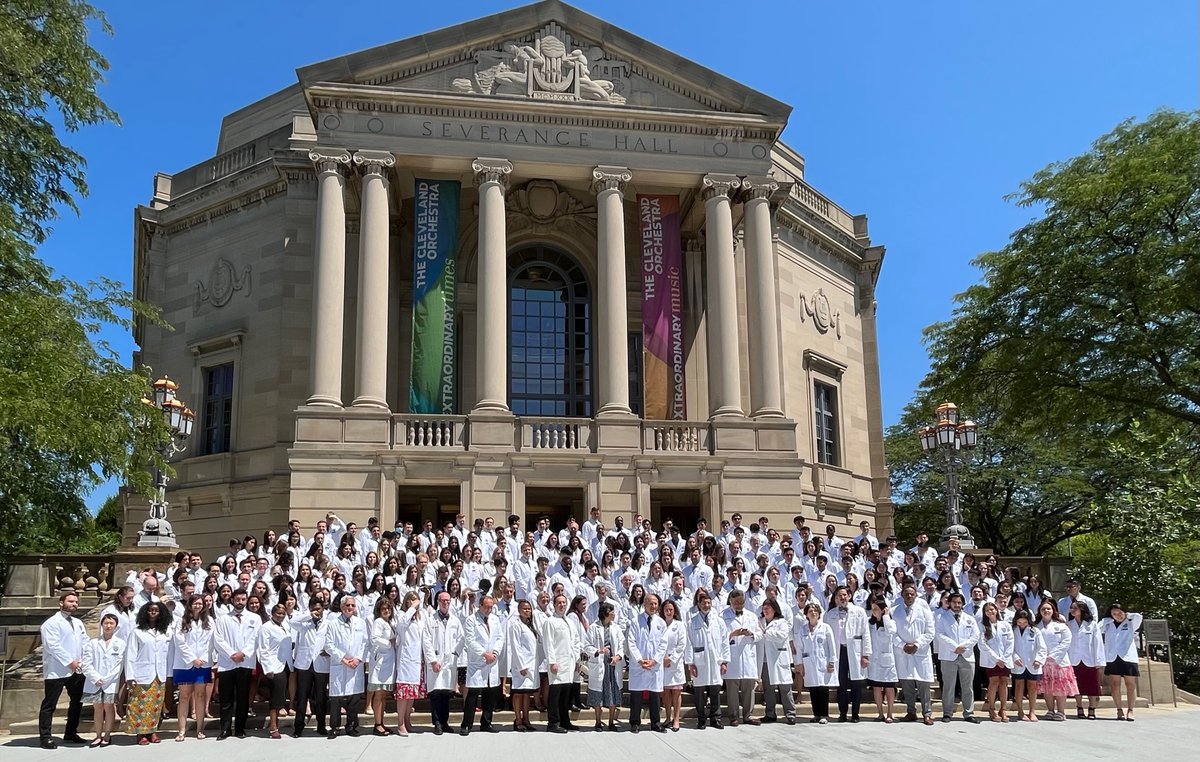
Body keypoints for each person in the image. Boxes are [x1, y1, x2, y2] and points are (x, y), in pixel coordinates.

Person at [38, 592, 89, 749]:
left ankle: (71, 732)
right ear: (61, 603)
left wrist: (84, 660)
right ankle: (45, 736)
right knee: (50, 704)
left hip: (77, 669)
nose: (74, 604)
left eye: (76, 602)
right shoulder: (50, 623)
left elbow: (85, 641)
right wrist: (69, 662)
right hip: (57, 670)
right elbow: (52, 646)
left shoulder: (78, 622)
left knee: (77, 701)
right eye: (70, 601)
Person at [213, 588, 260, 739]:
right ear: (232, 600)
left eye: (243, 599)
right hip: (227, 663)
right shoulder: (223, 619)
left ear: (246, 600)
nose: (240, 602)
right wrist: (232, 654)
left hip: (245, 663)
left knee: (243, 698)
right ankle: (225, 729)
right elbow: (218, 639)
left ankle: (240, 729)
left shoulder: (255, 618)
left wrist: (243, 653)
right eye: (237, 599)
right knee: (226, 699)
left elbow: (256, 638)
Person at [125, 600, 173, 745]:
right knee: (139, 705)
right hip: (142, 674)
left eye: (156, 610)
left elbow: (169, 654)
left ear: (161, 614)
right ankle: (141, 734)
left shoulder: (166, 632)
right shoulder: (137, 632)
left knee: (156, 706)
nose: (153, 612)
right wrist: (130, 676)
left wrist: (169, 674)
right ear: (145, 613)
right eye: (150, 610)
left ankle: (153, 731)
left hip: (159, 674)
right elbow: (130, 655)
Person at [823, 585, 871, 723]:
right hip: (838, 652)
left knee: (856, 683)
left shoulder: (859, 611)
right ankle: (842, 713)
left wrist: (866, 654)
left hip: (855, 650)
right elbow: (826, 636)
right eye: (839, 596)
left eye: (844, 595)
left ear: (849, 596)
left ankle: (855, 713)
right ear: (836, 598)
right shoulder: (830, 614)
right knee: (841, 683)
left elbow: (865, 633)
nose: (842, 598)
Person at [325, 594, 369, 738]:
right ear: (342, 606)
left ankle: (351, 726)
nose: (350, 608)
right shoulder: (333, 623)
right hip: (340, 664)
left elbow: (365, 643)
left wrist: (358, 659)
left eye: (352, 605)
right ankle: (335, 727)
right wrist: (342, 659)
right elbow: (328, 645)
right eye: (347, 605)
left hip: (355, 665)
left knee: (354, 698)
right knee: (336, 699)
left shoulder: (360, 623)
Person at [461, 593, 505, 734]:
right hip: (478, 661)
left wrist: (495, 653)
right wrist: (484, 653)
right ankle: (466, 724)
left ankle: (486, 722)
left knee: (490, 694)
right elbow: (470, 640)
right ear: (480, 605)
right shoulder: (471, 620)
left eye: (491, 607)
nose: (489, 610)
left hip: (492, 661)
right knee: (472, 695)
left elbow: (500, 637)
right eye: (486, 607)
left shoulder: (495, 619)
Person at [892, 583, 936, 725]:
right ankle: (911, 712)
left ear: (916, 595)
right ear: (902, 595)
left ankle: (927, 713)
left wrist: (916, 644)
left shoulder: (924, 611)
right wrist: (902, 645)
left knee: (923, 685)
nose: (909, 596)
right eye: (906, 594)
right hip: (903, 651)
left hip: (920, 651)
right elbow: (891, 632)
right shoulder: (894, 611)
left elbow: (930, 632)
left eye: (912, 594)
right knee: (907, 684)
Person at [172, 594, 214, 741]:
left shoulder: (209, 621)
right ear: (189, 605)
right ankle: (182, 731)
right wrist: (192, 659)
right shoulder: (180, 621)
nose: (198, 606)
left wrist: (201, 659)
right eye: (195, 603)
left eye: (200, 603)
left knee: (200, 696)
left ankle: (200, 729)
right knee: (184, 697)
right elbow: (179, 641)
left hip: (203, 663)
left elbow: (211, 641)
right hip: (185, 665)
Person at [686, 590, 730, 729]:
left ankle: (715, 719)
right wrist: (690, 664)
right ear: (698, 604)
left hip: (715, 661)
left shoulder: (719, 621)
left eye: (709, 602)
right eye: (704, 602)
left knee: (715, 691)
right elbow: (689, 643)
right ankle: (701, 719)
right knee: (699, 691)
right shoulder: (692, 622)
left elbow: (724, 642)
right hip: (699, 661)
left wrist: (724, 661)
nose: (706, 605)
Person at [935, 592, 982, 723]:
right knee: (949, 686)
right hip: (949, 656)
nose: (957, 605)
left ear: (963, 604)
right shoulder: (942, 618)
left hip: (966, 656)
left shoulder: (969, 619)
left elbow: (976, 635)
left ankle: (969, 713)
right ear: (949, 603)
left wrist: (963, 646)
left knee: (968, 686)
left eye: (959, 602)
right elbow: (940, 634)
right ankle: (947, 713)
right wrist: (954, 647)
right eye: (954, 602)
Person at [423, 590, 464, 735]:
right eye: (443, 601)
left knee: (446, 693)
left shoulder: (455, 620)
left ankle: (445, 722)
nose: (445, 603)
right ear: (438, 602)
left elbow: (461, 639)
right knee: (435, 693)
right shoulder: (430, 619)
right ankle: (437, 723)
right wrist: (433, 660)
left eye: (448, 601)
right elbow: (426, 641)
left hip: (449, 662)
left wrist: (455, 653)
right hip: (436, 661)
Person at [81, 613, 126, 747]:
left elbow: (119, 665)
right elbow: (86, 663)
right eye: (106, 623)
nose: (108, 626)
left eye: (111, 623)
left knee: (109, 706)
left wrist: (106, 679)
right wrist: (95, 677)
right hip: (94, 681)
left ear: (116, 626)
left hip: (110, 682)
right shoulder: (93, 643)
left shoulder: (120, 643)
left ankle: (107, 734)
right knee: (98, 707)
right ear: (101, 625)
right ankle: (98, 735)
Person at [626, 593, 667, 733]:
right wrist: (640, 660)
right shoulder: (635, 621)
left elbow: (663, 644)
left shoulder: (661, 623)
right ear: (645, 604)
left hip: (654, 664)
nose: (653, 606)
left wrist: (654, 660)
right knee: (636, 695)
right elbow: (631, 642)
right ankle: (635, 723)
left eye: (655, 604)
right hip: (639, 664)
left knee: (655, 695)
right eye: (650, 603)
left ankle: (655, 723)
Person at [541, 592, 580, 733]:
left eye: (564, 602)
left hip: (569, 663)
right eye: (559, 603)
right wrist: (552, 661)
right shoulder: (550, 622)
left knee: (565, 696)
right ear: (554, 604)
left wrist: (576, 659)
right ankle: (553, 722)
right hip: (557, 663)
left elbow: (576, 641)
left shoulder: (569, 622)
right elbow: (548, 644)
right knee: (555, 695)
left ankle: (565, 721)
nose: (562, 605)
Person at [722, 589, 762, 726]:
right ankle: (733, 716)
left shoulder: (751, 616)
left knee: (749, 688)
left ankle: (748, 715)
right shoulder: (723, 615)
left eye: (742, 602)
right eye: (736, 602)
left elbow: (760, 633)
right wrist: (732, 634)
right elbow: (720, 635)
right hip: (733, 656)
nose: (739, 605)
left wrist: (751, 634)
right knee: (732, 689)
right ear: (731, 602)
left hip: (748, 655)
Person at [291, 598, 330, 738]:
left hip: (321, 663)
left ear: (323, 609)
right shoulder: (304, 623)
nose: (316, 611)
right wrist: (309, 615)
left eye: (319, 608)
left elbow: (332, 639)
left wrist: (329, 651)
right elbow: (292, 622)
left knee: (321, 698)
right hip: (305, 664)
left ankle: (321, 726)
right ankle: (298, 727)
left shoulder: (328, 624)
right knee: (302, 696)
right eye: (313, 608)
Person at [794, 602, 837, 724]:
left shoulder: (826, 627)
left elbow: (831, 646)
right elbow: (799, 648)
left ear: (819, 614)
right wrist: (799, 664)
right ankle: (816, 714)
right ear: (806, 615)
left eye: (815, 611)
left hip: (823, 661)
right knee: (813, 689)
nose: (813, 613)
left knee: (823, 689)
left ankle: (824, 714)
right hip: (809, 663)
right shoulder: (802, 629)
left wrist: (832, 661)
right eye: (810, 611)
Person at [585, 602, 625, 730]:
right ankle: (598, 722)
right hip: (599, 663)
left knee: (613, 692)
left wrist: (618, 656)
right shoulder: (593, 627)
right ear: (606, 613)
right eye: (612, 612)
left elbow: (621, 645)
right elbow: (587, 646)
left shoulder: (616, 628)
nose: (614, 614)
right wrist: (599, 651)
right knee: (598, 693)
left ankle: (611, 722)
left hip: (613, 665)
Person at [1100, 603, 1143, 721]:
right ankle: (1119, 710)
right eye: (1114, 614)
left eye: (1119, 613)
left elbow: (1138, 617)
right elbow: (1098, 629)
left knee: (1130, 684)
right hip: (1113, 656)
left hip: (1128, 657)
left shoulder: (1130, 623)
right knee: (1115, 684)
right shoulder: (1108, 624)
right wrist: (1106, 619)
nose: (1117, 616)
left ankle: (1130, 710)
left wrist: (1127, 615)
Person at [1036, 599, 1077, 721]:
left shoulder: (1061, 626)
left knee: (1060, 687)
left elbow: (1066, 643)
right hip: (1043, 661)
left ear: (1053, 611)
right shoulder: (1036, 627)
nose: (1046, 611)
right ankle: (1050, 710)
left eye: (1048, 609)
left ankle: (1061, 711)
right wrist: (1042, 657)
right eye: (1043, 609)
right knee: (1047, 687)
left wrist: (1053, 656)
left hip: (1060, 662)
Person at [258, 603, 294, 739]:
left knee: (281, 696)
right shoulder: (266, 628)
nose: (280, 616)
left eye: (283, 613)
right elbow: (263, 649)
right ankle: (273, 726)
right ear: (272, 613)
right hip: (273, 666)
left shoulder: (285, 626)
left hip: (285, 665)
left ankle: (276, 723)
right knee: (275, 698)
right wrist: (267, 669)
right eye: (278, 613)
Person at [393, 591, 427, 736]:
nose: (415, 604)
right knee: (403, 694)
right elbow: (402, 624)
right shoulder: (402, 616)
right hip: (405, 660)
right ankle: (400, 723)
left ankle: (407, 720)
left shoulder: (420, 618)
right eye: (412, 601)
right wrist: (412, 607)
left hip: (417, 659)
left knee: (411, 694)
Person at [760, 599, 796, 725]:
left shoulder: (782, 622)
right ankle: (770, 714)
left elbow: (781, 636)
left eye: (768, 608)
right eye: (764, 608)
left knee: (785, 687)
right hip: (765, 659)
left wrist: (765, 632)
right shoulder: (760, 622)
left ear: (774, 609)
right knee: (768, 689)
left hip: (779, 658)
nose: (765, 611)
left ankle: (790, 713)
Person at [1067, 599, 1105, 719]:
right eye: (1071, 608)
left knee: (1092, 685)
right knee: (1077, 685)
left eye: (1075, 608)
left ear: (1082, 610)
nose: (1072, 610)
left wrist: (1099, 660)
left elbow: (1098, 643)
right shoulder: (1069, 624)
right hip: (1074, 659)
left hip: (1090, 659)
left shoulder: (1092, 625)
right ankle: (1079, 707)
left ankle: (1092, 708)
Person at [978, 601, 1014, 722]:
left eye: (992, 609)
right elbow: (982, 644)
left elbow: (1010, 642)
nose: (990, 612)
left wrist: (1003, 658)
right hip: (991, 660)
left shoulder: (1005, 625)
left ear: (996, 610)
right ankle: (992, 709)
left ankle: (1003, 709)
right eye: (987, 610)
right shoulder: (982, 625)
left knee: (1004, 682)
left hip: (1005, 659)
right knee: (993, 682)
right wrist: (995, 658)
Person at [509, 599, 540, 732]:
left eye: (529, 609)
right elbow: (515, 646)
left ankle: (526, 719)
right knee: (518, 693)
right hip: (521, 664)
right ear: (519, 610)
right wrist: (521, 665)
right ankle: (518, 720)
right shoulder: (515, 625)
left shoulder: (530, 625)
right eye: (524, 609)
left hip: (531, 664)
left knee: (527, 693)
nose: (527, 611)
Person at [367, 597, 397, 736]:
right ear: (379, 610)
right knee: (379, 694)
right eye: (384, 609)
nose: (387, 611)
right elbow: (374, 639)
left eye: (389, 608)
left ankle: (382, 723)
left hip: (388, 662)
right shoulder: (378, 622)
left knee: (384, 694)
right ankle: (377, 724)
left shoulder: (389, 622)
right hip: (380, 661)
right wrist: (389, 642)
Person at [1011, 608, 1047, 722]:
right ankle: (1020, 711)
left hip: (1033, 663)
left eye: (1025, 622)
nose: (1022, 625)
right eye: (1019, 622)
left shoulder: (1035, 630)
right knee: (1019, 687)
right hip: (1018, 663)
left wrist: (1038, 659)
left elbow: (1042, 647)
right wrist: (1014, 657)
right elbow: (1009, 647)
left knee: (1032, 687)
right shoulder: (1012, 630)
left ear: (1029, 621)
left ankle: (1032, 711)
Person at [865, 598, 898, 723]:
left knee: (889, 688)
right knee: (877, 687)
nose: (873, 611)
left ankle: (890, 713)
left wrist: (885, 616)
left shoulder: (890, 623)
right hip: (875, 660)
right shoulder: (870, 624)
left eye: (876, 609)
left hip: (887, 660)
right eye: (872, 609)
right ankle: (880, 713)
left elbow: (891, 631)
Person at [659, 599, 687, 732]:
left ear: (674, 611)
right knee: (665, 693)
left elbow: (681, 645)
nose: (668, 612)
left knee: (676, 692)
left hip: (675, 663)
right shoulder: (659, 624)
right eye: (666, 610)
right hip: (662, 662)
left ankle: (676, 719)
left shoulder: (679, 625)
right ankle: (668, 717)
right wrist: (661, 658)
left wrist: (671, 659)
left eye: (671, 609)